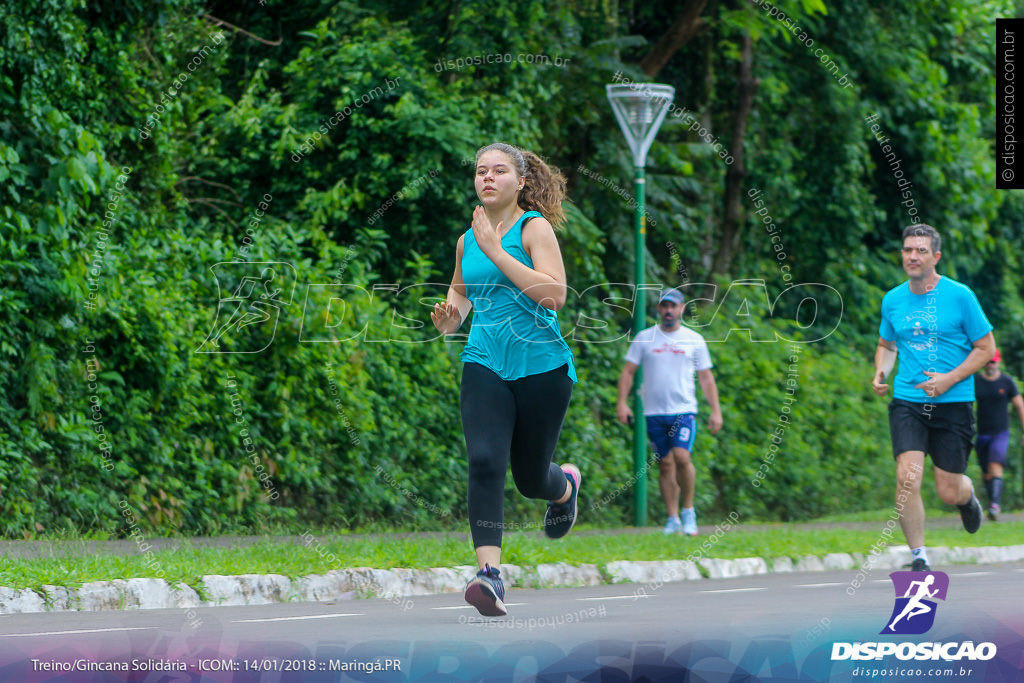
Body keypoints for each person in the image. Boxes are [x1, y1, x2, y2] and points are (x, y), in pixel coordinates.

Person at [430, 142, 581, 617]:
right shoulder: (466, 240)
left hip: (542, 367)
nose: (487, 178)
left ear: (520, 181)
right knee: (485, 461)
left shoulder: (533, 228)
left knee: (530, 478)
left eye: (498, 171)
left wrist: (498, 250)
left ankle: (563, 488)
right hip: (485, 360)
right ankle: (489, 576)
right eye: (480, 171)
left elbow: (554, 294)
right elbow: (460, 299)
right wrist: (448, 319)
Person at [872, 224, 995, 572]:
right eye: (908, 249)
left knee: (948, 491)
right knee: (906, 475)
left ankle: (967, 496)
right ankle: (919, 556)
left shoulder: (960, 296)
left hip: (953, 403)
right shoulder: (892, 299)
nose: (913, 256)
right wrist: (881, 371)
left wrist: (948, 380)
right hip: (908, 400)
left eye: (921, 250)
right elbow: (887, 344)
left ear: (936, 256)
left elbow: (986, 348)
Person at [616, 288, 723, 535]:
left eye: (673, 306)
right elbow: (628, 371)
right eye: (664, 306)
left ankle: (688, 511)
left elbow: (706, 377)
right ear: (658, 309)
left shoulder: (694, 340)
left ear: (682, 309)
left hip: (683, 409)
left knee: (682, 457)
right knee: (664, 464)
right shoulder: (645, 338)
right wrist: (622, 402)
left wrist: (715, 411)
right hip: (653, 412)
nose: (668, 311)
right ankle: (672, 517)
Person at [975, 348, 1024, 520]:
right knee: (986, 471)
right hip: (982, 433)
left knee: (995, 464)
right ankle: (991, 503)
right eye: (988, 361)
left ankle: (995, 505)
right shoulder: (977, 381)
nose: (991, 364)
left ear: (998, 362)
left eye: (993, 361)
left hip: (1000, 432)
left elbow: (1020, 405)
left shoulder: (1006, 382)